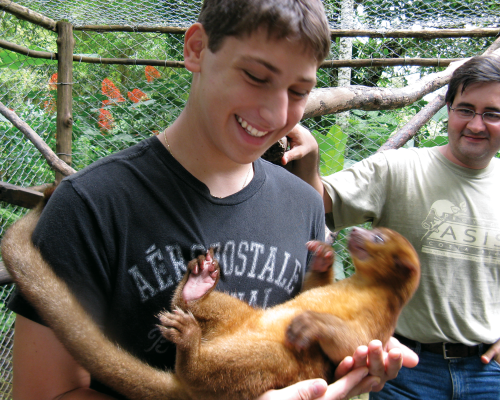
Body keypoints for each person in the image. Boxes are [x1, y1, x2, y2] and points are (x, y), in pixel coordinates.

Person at [7, 1, 416, 399]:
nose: (275, 114)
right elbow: (44, 393)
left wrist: (350, 367)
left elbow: (293, 348)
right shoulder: (91, 205)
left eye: (299, 91)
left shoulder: (303, 203)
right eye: (257, 76)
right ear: (196, 49)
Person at [284, 54, 500, 399]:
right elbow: (318, 203)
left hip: (489, 372)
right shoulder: (398, 169)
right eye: (465, 109)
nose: (476, 124)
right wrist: (310, 158)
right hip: (405, 366)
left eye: (492, 114)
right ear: (448, 109)